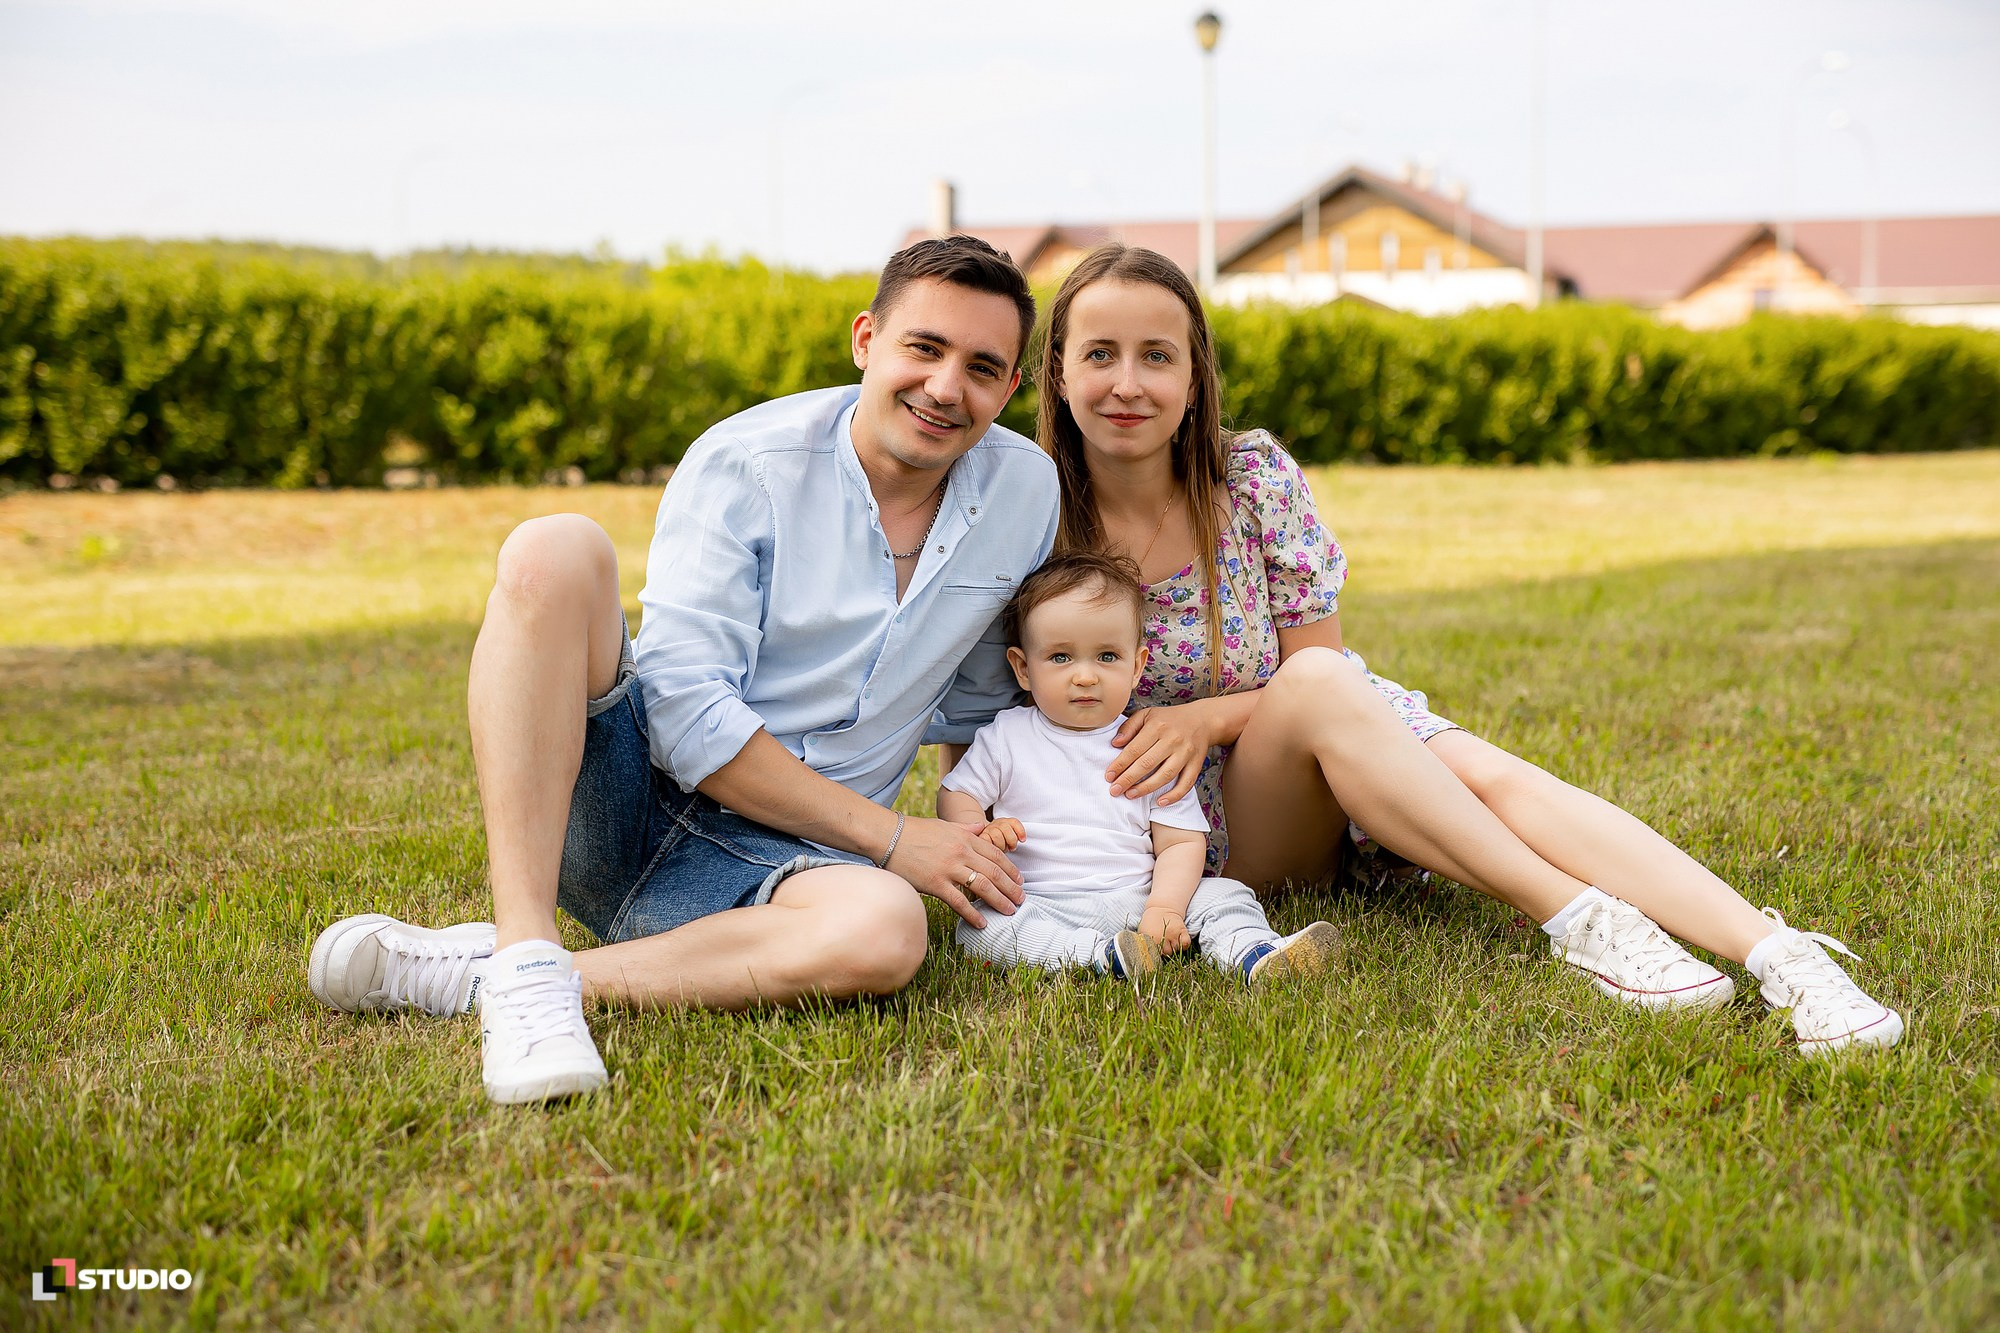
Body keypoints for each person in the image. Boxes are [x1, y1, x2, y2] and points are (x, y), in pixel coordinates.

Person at [1035, 242, 1903, 1055]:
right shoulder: (1032, 517)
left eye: (1158, 355)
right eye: (1100, 354)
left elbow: (1317, 666)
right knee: (1326, 689)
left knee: (1479, 768)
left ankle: (1778, 954)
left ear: (1194, 378)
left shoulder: (1251, 479)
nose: (1128, 383)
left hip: (1310, 744)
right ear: (1060, 373)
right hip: (1203, 840)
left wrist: (1202, 718)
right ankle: (1583, 921)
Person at [308, 236, 1060, 1103]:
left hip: (789, 873)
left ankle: (517, 978)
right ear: (866, 340)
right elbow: (687, 713)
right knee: (557, 548)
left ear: (1009, 389)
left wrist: (969, 846)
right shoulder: (747, 461)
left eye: (981, 367)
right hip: (625, 809)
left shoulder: (1023, 493)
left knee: (887, 931)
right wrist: (896, 839)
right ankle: (522, 938)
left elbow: (975, 702)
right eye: (923, 348)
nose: (944, 387)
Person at [938, 550, 1340, 984]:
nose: (1085, 676)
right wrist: (980, 833)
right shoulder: (1006, 736)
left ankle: (1253, 951)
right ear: (1022, 668)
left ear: (1137, 667)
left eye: (1107, 657)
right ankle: (1094, 956)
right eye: (1060, 658)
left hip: (1139, 896)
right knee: (982, 927)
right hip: (1039, 898)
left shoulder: (1144, 744)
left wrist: (1164, 908)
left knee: (1223, 893)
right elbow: (956, 793)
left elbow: (1180, 843)